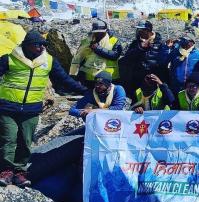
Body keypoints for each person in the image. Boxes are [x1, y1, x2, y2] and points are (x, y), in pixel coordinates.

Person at [0, 31, 87, 187]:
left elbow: (64, 79)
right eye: (37, 45)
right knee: (8, 139)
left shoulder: (49, 61)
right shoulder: (9, 59)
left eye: (43, 45)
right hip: (7, 107)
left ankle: (19, 172)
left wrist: (85, 91)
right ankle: (6, 171)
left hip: (31, 110)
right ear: (27, 45)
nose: (41, 48)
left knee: (25, 141)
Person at [119, 20, 171, 98]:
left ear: (149, 31)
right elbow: (127, 59)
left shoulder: (160, 44)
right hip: (137, 81)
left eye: (142, 30)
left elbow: (164, 62)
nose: (139, 32)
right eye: (138, 30)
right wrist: (140, 48)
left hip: (154, 81)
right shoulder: (135, 43)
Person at [69, 20, 123, 88]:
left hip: (110, 78)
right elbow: (78, 60)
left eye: (101, 32)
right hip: (90, 79)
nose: (98, 34)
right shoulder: (86, 42)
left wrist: (97, 48)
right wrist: (77, 77)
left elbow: (115, 55)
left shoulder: (114, 40)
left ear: (106, 31)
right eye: (96, 32)